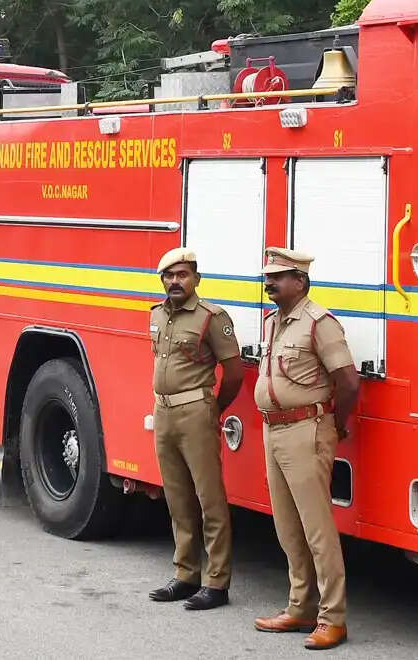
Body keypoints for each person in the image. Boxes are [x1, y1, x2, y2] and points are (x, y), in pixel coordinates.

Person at [252, 249, 360, 650]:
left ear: (300, 281)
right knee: (286, 525)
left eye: (278, 276)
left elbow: (348, 382)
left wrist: (337, 423)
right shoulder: (275, 322)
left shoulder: (320, 323)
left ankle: (333, 619)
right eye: (268, 276)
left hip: (306, 429)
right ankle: (300, 607)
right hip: (274, 430)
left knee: (317, 530)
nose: (270, 283)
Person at [148, 247, 247, 611]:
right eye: (169, 276)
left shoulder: (211, 318)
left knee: (210, 500)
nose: (175, 281)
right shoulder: (156, 314)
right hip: (164, 411)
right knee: (177, 498)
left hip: (196, 410)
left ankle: (217, 583)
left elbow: (234, 372)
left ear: (196, 279)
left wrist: (214, 408)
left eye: (183, 275)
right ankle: (185, 574)